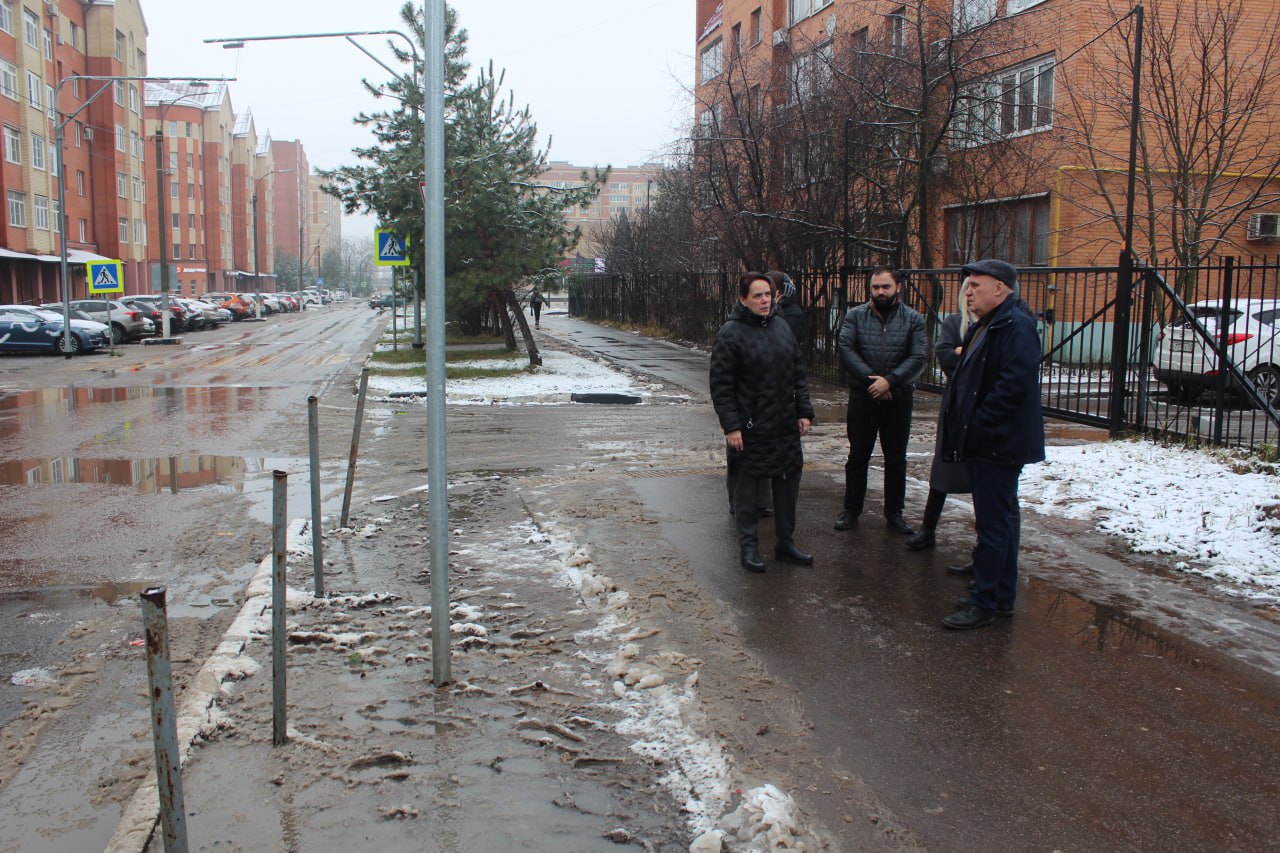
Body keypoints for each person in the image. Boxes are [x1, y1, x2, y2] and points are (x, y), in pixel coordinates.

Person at [940, 259, 1045, 630]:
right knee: (1000, 520)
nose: (968, 293)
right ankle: (1000, 596)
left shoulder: (1016, 326)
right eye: (968, 286)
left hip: (999, 443)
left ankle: (983, 602)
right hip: (990, 440)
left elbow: (1012, 386)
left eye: (975, 286)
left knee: (993, 525)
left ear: (1000, 288)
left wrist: (978, 424)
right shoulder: (988, 323)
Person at [710, 272, 815, 573]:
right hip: (750, 428)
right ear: (743, 299)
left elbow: (798, 373)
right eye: (757, 295)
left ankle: (786, 544)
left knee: (787, 485)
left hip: (784, 425)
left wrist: (804, 411)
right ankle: (749, 547)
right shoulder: (730, 334)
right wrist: (732, 427)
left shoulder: (782, 327)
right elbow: (721, 386)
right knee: (747, 491)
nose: (765, 300)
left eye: (768, 294)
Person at [834, 266, 926, 535]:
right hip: (863, 397)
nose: (880, 292)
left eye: (886, 287)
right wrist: (872, 382)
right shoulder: (855, 315)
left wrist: (891, 381)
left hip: (899, 398)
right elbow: (846, 349)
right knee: (857, 456)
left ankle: (894, 513)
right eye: (875, 287)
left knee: (896, 459)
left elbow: (918, 357)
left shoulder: (914, 319)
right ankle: (851, 510)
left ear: (898, 287)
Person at [905, 282, 976, 553]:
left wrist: (963, 352)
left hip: (983, 413)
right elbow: (945, 356)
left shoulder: (998, 326)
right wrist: (964, 354)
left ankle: (986, 546)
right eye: (968, 288)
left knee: (986, 480)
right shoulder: (955, 322)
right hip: (956, 408)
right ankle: (928, 529)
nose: (970, 293)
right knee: (943, 469)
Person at [766, 270, 806, 344]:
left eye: (767, 293)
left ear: (778, 293)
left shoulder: (794, 315)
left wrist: (774, 310)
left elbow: (780, 340)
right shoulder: (766, 310)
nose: (763, 297)